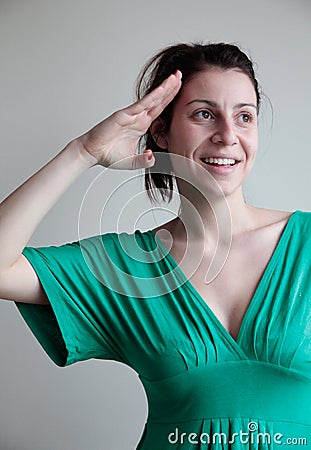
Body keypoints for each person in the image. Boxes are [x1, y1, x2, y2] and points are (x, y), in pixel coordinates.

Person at [0, 42, 310, 449]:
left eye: (244, 117)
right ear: (160, 130)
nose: (228, 135)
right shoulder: (125, 267)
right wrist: (83, 151)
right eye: (204, 114)